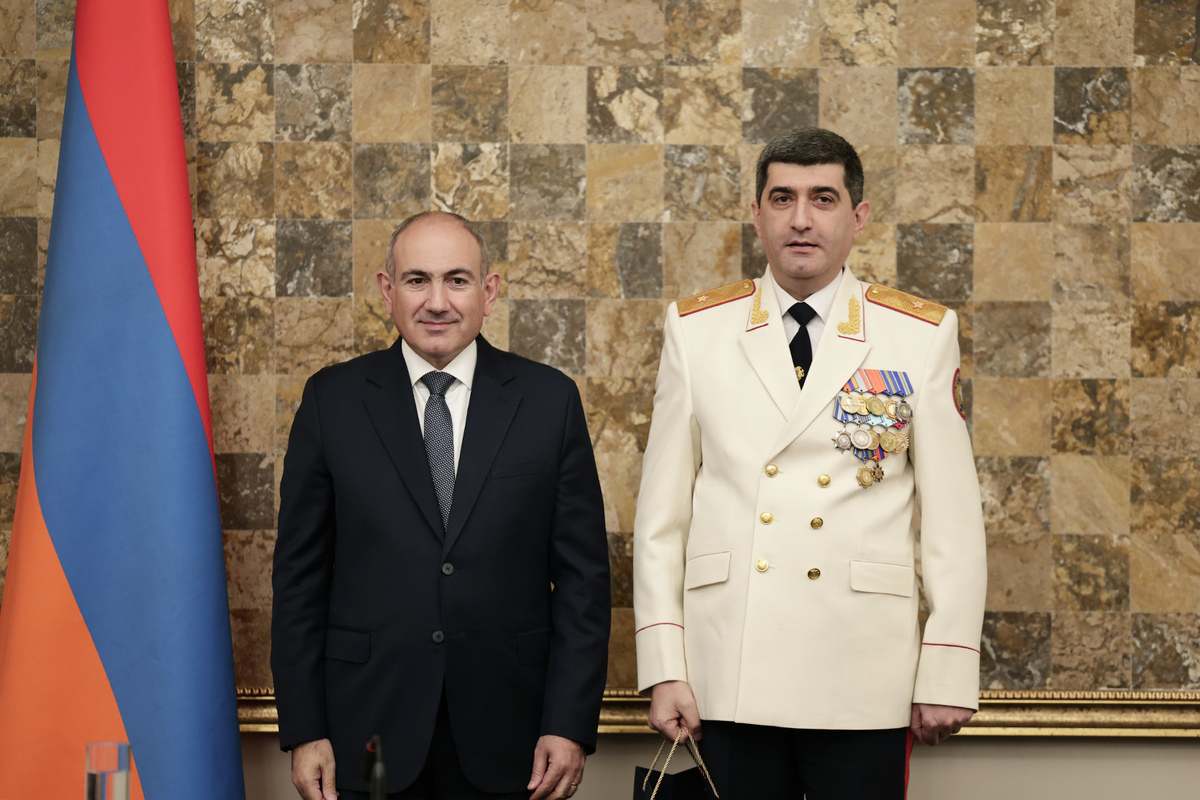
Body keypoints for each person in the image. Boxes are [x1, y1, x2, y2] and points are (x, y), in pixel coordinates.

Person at [632, 128, 987, 798]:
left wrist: (946, 667)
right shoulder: (698, 329)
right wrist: (665, 665)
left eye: (823, 198)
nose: (801, 219)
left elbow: (954, 523)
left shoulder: (917, 333)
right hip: (726, 668)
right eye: (782, 199)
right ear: (757, 213)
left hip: (861, 672)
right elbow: (660, 522)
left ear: (858, 217)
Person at [272, 211, 611, 800]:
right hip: (367, 732)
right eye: (416, 280)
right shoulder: (333, 401)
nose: (437, 302)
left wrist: (569, 722)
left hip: (513, 733)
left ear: (489, 291)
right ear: (388, 290)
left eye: (457, 280)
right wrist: (305, 729)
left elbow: (584, 581)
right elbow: (299, 580)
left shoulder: (549, 401)